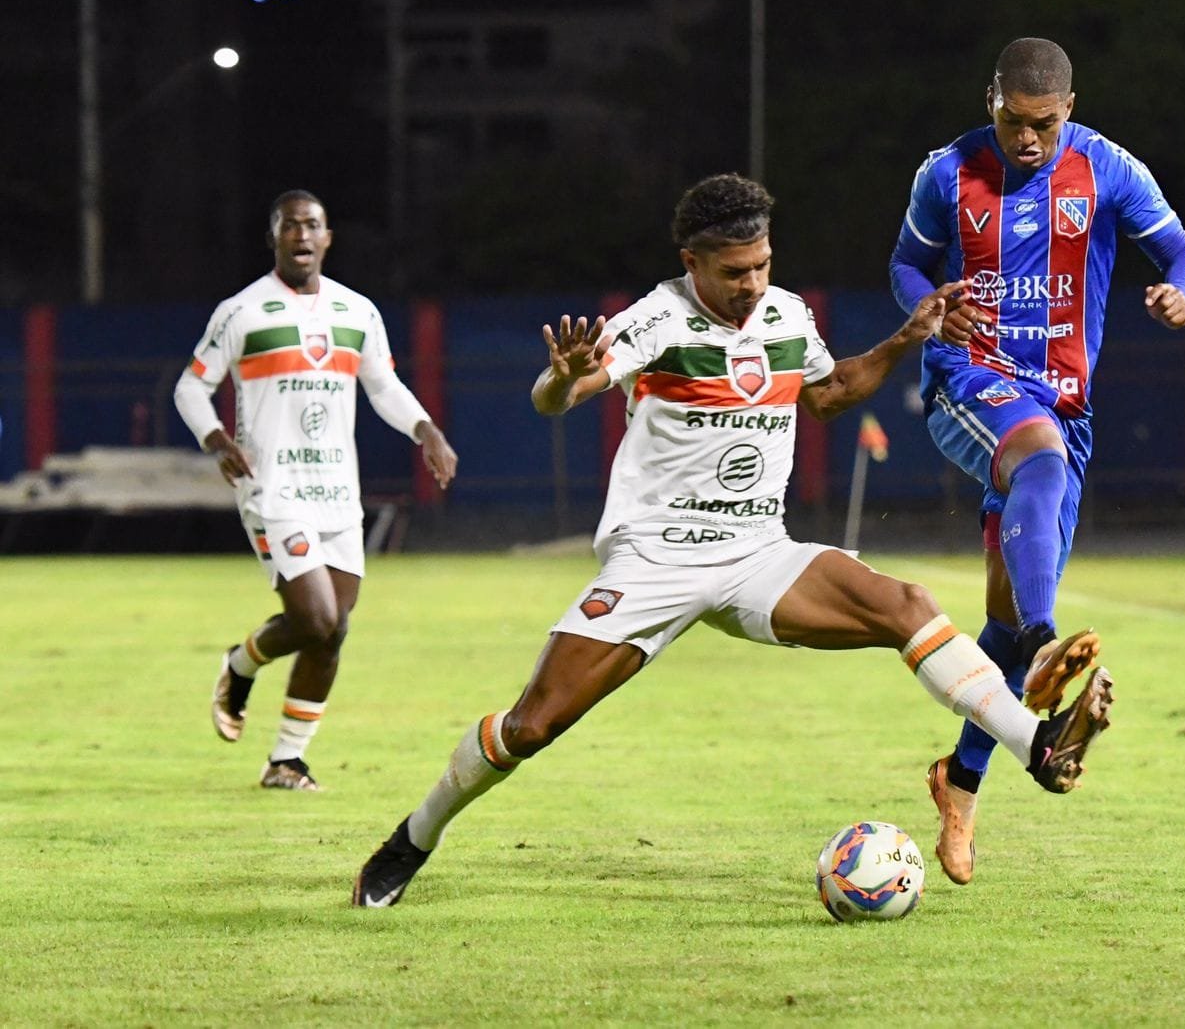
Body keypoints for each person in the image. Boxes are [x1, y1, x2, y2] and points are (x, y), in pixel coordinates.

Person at [352, 174, 1114, 907]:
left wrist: (906, 337)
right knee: (531, 725)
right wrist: (561, 378)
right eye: (733, 271)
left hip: (757, 553)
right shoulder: (654, 319)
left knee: (905, 603)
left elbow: (828, 395)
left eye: (762, 264)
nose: (752, 283)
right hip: (657, 558)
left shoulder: (785, 315)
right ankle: (412, 841)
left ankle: (1037, 747)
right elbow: (562, 395)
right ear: (692, 264)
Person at [888, 37, 1185, 884]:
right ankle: (1040, 644)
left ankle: (958, 784)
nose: (1027, 140)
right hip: (971, 383)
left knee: (999, 607)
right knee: (1036, 468)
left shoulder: (1108, 169)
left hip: (1067, 409)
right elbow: (907, 264)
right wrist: (928, 309)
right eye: (1012, 120)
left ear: (1070, 107)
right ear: (990, 97)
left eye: (1045, 124)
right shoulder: (945, 173)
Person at [173, 190, 458, 791]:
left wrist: (426, 430)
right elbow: (190, 389)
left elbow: (383, 386)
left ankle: (287, 760)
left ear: (328, 238)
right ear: (274, 237)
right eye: (289, 226)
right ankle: (239, 662)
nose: (301, 235)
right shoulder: (242, 311)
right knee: (314, 617)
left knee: (334, 630)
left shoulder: (357, 312)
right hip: (271, 490)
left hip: (337, 493)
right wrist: (217, 439)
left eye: (313, 225)